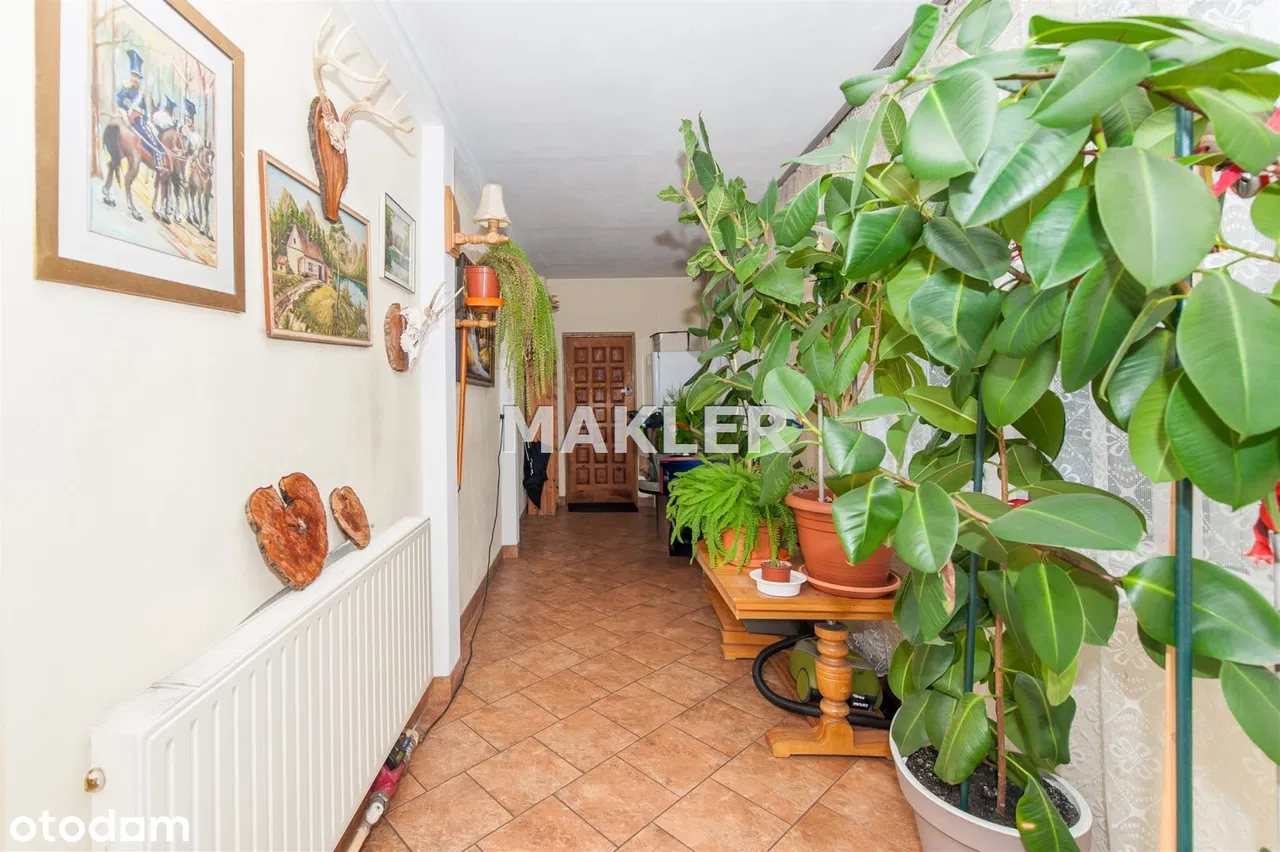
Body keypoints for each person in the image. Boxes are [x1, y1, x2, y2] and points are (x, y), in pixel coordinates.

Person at [115, 49, 166, 169]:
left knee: (154, 134)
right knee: (152, 141)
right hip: (134, 119)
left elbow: (145, 108)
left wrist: (148, 120)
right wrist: (124, 114)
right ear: (131, 75)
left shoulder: (140, 92)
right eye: (134, 76)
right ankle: (158, 164)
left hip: (142, 119)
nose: (136, 79)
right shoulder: (126, 88)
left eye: (138, 77)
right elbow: (118, 99)